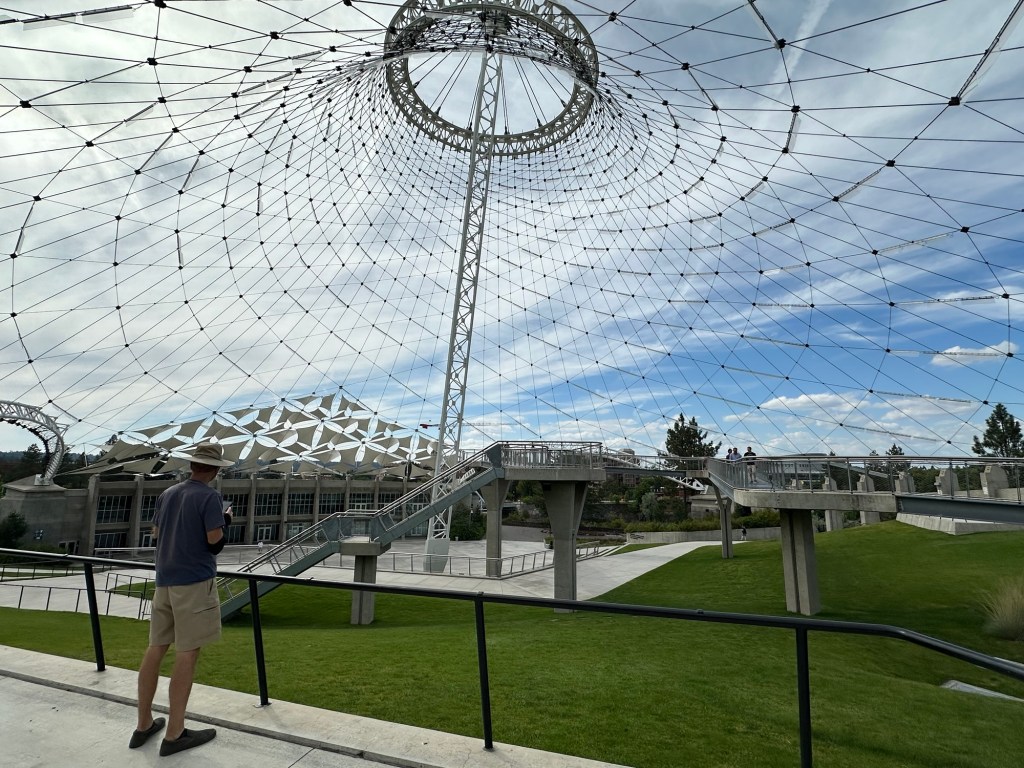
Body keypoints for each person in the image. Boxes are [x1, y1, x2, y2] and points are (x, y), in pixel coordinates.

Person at [130, 441, 234, 756]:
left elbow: (156, 533)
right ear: (214, 470)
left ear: (192, 465)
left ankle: (144, 723)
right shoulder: (210, 497)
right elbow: (214, 543)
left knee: (156, 647)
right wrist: (226, 520)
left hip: (164, 580)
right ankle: (175, 733)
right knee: (187, 653)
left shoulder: (168, 494)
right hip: (194, 583)